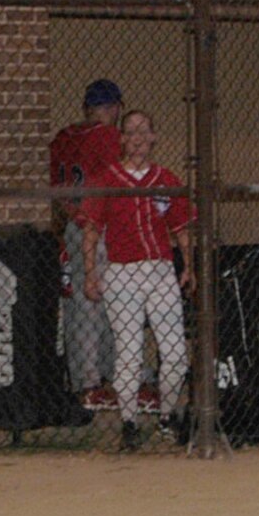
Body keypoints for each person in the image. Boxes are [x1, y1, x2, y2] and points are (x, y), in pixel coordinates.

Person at [78, 109, 196, 452]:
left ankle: (166, 416)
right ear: (123, 140)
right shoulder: (108, 180)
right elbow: (91, 229)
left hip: (160, 269)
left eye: (145, 131)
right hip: (123, 271)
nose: (139, 138)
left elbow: (181, 228)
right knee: (129, 352)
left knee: (174, 351)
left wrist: (188, 265)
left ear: (155, 137)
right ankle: (129, 422)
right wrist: (90, 273)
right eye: (131, 132)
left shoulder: (165, 178)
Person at [49, 78, 125, 411]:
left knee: (86, 305)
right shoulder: (106, 136)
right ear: (114, 108)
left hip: (72, 226)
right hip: (99, 228)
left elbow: (55, 190)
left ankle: (97, 378)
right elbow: (115, 182)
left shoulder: (63, 138)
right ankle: (91, 383)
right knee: (95, 307)